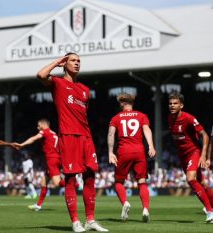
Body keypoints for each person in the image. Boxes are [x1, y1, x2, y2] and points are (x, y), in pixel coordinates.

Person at [36, 53, 108, 232]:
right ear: (64, 64)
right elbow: (41, 75)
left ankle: (90, 220)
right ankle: (75, 221)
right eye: (73, 61)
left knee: (90, 176)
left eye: (79, 61)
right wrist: (56, 62)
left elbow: (83, 114)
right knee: (70, 178)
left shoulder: (85, 89)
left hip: (86, 137)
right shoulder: (58, 83)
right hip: (68, 136)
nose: (77, 64)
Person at [167, 92, 213, 223]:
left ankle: (210, 212)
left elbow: (205, 135)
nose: (172, 105)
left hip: (194, 152)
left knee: (190, 179)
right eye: (170, 103)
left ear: (181, 105)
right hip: (182, 156)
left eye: (175, 103)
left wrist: (203, 155)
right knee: (202, 184)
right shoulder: (170, 118)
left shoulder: (189, 118)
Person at [107, 93, 156, 222]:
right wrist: (151, 146)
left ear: (123, 103)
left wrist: (110, 152)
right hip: (139, 150)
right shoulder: (141, 116)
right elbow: (147, 130)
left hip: (124, 151)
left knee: (118, 182)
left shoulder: (116, 118)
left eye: (120, 103)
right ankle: (145, 209)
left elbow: (111, 134)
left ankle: (125, 203)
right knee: (142, 182)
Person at [14, 118, 65, 210]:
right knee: (43, 182)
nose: (38, 128)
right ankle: (38, 205)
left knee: (57, 183)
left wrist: (22, 145)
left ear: (43, 124)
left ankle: (74, 183)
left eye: (38, 125)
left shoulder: (45, 132)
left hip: (51, 160)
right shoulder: (54, 134)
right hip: (57, 158)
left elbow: (34, 138)